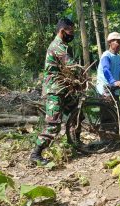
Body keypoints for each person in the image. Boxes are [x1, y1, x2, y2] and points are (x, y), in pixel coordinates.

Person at [30, 18, 81, 165]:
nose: (72, 34)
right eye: (70, 31)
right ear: (62, 31)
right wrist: (81, 74)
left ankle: (75, 143)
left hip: (63, 89)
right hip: (55, 90)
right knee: (53, 124)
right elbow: (71, 65)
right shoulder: (57, 46)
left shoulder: (62, 45)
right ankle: (35, 154)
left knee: (78, 112)